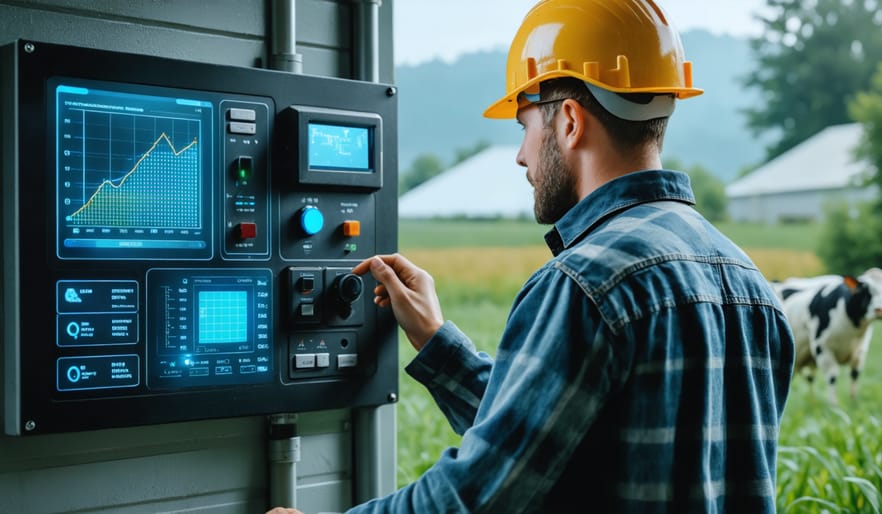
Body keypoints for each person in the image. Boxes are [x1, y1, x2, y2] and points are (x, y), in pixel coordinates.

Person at [269, 0, 795, 512]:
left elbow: (476, 496)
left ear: (568, 121)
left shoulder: (586, 284)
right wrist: (435, 340)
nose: (521, 155)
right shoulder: (751, 287)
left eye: (524, 126)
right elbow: (558, 440)